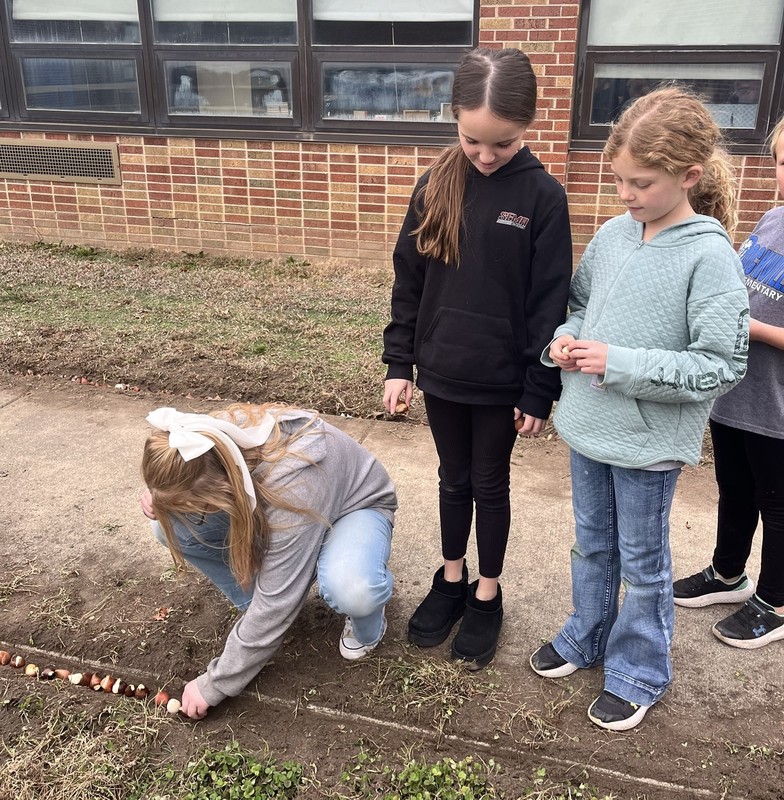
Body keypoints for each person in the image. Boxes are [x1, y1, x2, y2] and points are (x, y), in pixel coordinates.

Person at [529, 86, 750, 731]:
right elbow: (580, 306)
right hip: (588, 427)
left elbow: (721, 365)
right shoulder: (612, 235)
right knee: (591, 544)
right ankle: (587, 633)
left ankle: (639, 670)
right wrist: (564, 339)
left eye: (641, 183)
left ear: (690, 176)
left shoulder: (710, 256)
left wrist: (617, 361)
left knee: (645, 563)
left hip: (648, 444)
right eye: (619, 179)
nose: (625, 194)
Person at [381, 47, 573, 670]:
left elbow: (549, 302)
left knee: (489, 483)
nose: (486, 156)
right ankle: (451, 577)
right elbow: (409, 281)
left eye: (503, 143)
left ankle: (487, 593)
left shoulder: (544, 197)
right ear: (455, 119)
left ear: (528, 126)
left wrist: (538, 388)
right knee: (451, 478)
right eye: (472, 141)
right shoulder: (435, 183)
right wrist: (399, 363)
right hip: (441, 370)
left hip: (501, 382)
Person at [140, 403, 397, 720]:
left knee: (353, 589)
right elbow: (177, 476)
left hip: (354, 509)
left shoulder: (294, 484)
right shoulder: (205, 443)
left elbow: (278, 601)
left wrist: (215, 683)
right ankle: (255, 608)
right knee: (169, 526)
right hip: (283, 509)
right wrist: (158, 496)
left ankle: (369, 622)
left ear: (221, 488)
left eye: (198, 504)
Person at [672, 115, 784, 649]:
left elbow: (752, 315)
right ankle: (727, 574)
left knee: (777, 503)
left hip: (777, 408)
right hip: (736, 394)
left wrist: (750, 328)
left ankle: (776, 601)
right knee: (735, 489)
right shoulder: (772, 219)